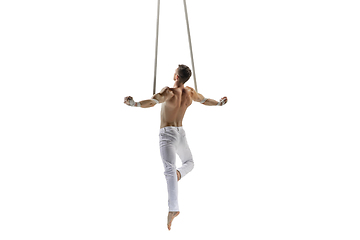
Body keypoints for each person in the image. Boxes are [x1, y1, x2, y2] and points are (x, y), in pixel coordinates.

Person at [124, 64, 228, 230]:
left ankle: (173, 209)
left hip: (167, 134)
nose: (173, 73)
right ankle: (178, 175)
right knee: (189, 163)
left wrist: (134, 104)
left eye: (174, 72)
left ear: (176, 77)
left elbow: (151, 102)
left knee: (169, 170)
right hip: (180, 132)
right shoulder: (190, 92)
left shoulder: (169, 92)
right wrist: (218, 104)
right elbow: (205, 100)